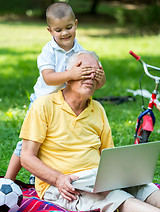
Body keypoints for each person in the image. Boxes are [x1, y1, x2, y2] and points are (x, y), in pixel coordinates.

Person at [19, 50, 160, 212]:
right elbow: (26, 157)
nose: (91, 76)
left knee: (144, 187)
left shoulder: (98, 109)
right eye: (84, 71)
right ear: (69, 75)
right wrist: (58, 179)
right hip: (64, 184)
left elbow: (109, 154)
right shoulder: (44, 105)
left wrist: (122, 175)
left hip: (96, 177)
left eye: (96, 72)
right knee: (112, 198)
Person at [4, 2, 105, 182]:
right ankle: (7, 181)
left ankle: (40, 178)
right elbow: (48, 78)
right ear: (50, 31)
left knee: (56, 142)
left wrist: (100, 76)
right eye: (58, 30)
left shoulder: (81, 52)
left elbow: (100, 84)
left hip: (65, 103)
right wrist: (71, 74)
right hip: (42, 101)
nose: (65, 33)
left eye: (69, 27)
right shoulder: (48, 52)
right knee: (28, 143)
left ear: (76, 24)